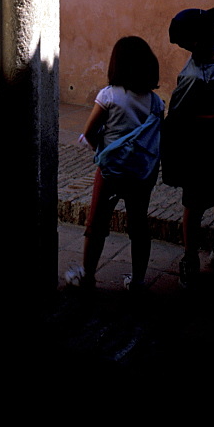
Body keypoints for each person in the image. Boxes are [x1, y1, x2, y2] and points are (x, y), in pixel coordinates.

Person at [67, 36, 165, 296]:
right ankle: (138, 281)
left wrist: (103, 146)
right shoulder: (156, 103)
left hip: (111, 172)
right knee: (139, 225)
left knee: (96, 223)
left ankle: (87, 275)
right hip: (142, 174)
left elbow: (88, 133)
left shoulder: (108, 96)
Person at [161, 5, 214, 289]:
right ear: (198, 40)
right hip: (202, 147)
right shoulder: (191, 76)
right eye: (213, 24)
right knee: (195, 203)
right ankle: (189, 257)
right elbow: (177, 118)